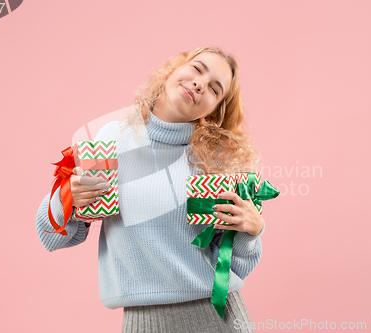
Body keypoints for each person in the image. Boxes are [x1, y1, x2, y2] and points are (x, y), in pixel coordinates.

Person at [36, 46, 266, 333]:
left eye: (214, 88)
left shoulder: (215, 162)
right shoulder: (111, 140)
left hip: (219, 317)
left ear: (215, 109)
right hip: (142, 322)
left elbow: (232, 266)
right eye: (197, 69)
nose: (199, 84)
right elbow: (52, 238)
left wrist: (251, 232)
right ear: (174, 68)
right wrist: (66, 198)